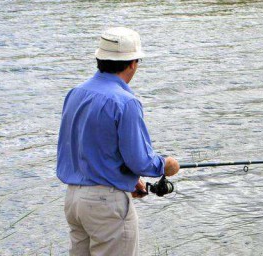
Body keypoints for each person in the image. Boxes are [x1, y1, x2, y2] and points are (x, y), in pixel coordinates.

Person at [56, 27, 180, 255]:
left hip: (73, 200)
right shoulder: (126, 102)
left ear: (99, 58)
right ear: (132, 63)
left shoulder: (75, 93)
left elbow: (81, 147)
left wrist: (128, 181)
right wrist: (165, 165)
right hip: (106, 205)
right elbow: (139, 161)